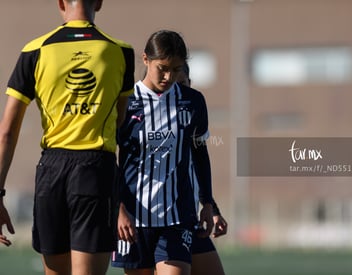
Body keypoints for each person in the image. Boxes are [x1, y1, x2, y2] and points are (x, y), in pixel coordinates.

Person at [0, 0, 135, 274]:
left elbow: (6, 132)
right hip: (96, 170)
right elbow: (122, 126)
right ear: (99, 2)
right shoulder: (121, 51)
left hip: (51, 171)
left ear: (61, 2)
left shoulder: (34, 50)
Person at [112, 30, 214, 275]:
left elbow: (200, 154)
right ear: (146, 59)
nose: (169, 76)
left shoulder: (192, 101)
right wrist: (117, 209)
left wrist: (208, 203)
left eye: (177, 69)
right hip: (133, 220)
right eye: (163, 68)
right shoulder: (124, 101)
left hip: (177, 218)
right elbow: (106, 159)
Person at [175, 62, 227, 275]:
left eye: (182, 84)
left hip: (189, 218)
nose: (178, 90)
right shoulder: (145, 112)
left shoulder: (193, 109)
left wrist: (211, 207)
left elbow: (197, 163)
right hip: (157, 222)